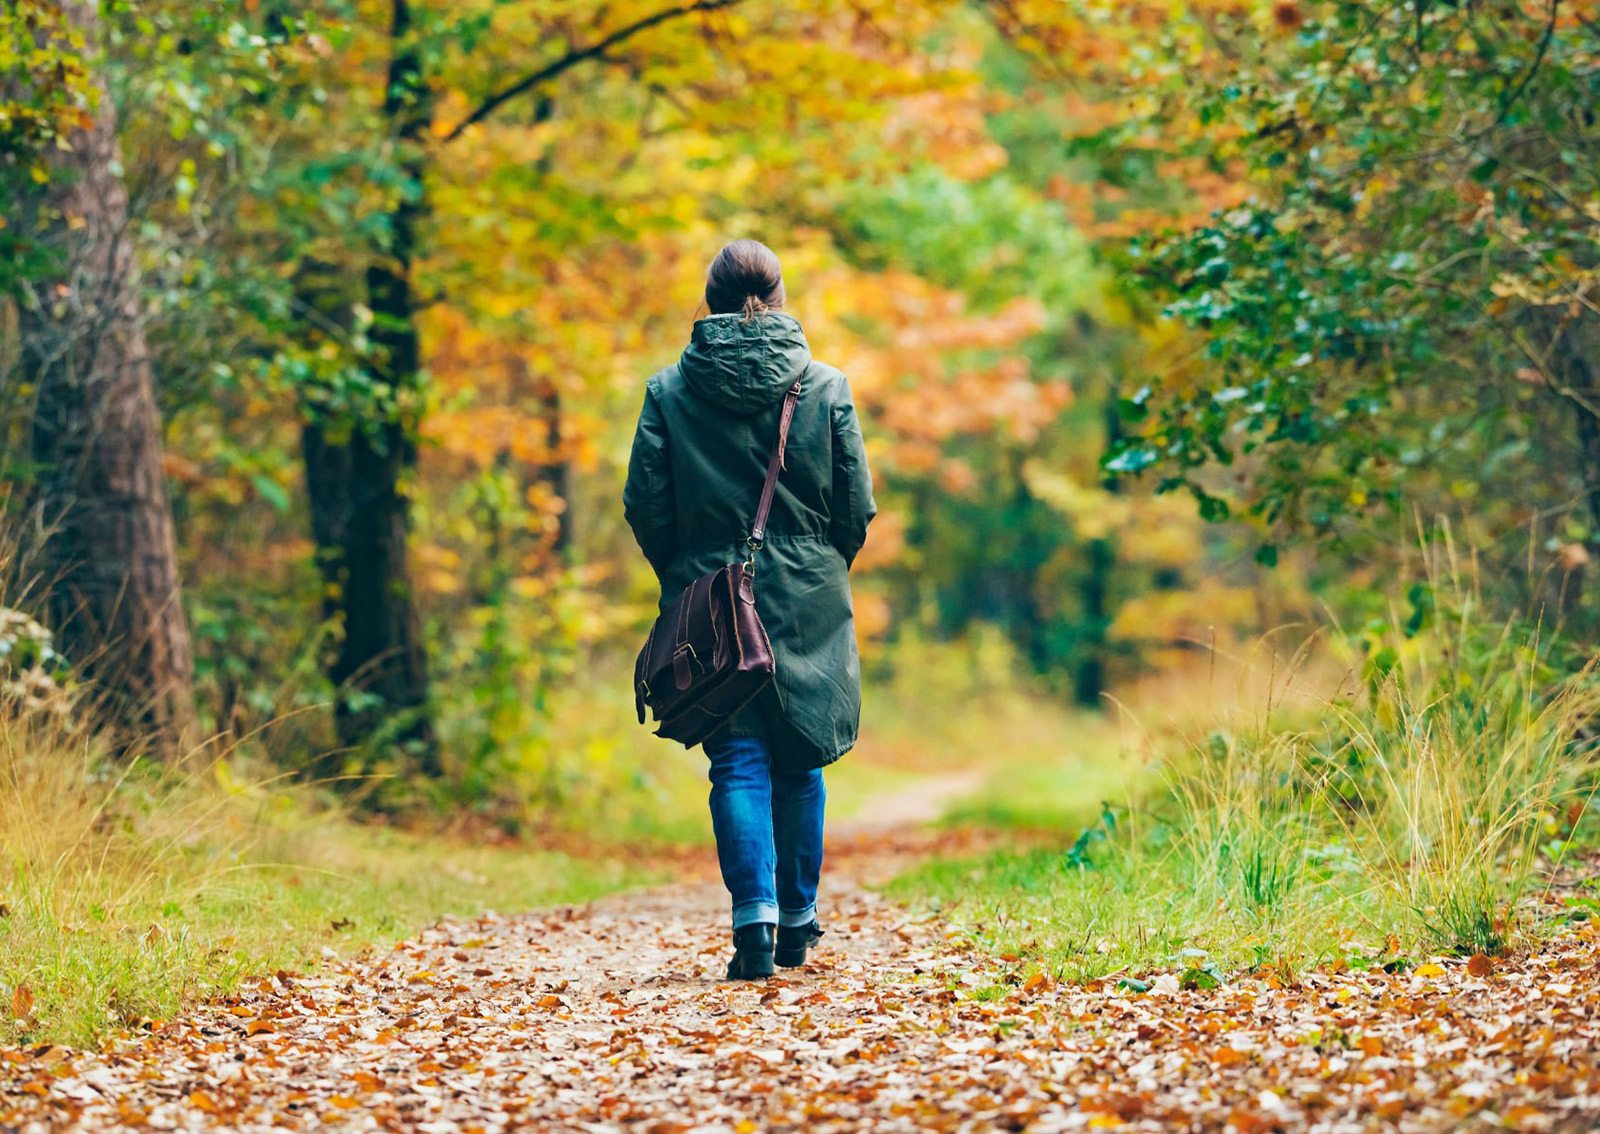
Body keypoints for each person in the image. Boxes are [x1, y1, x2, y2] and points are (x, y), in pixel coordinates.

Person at [623, 239, 876, 979]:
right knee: (801, 756)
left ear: (710, 301)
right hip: (811, 592)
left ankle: (753, 925)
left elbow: (647, 504)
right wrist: (824, 563)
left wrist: (684, 574)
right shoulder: (826, 386)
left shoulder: (669, 391)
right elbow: (854, 504)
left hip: (707, 588)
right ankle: (797, 919)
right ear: (780, 295)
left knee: (736, 757)